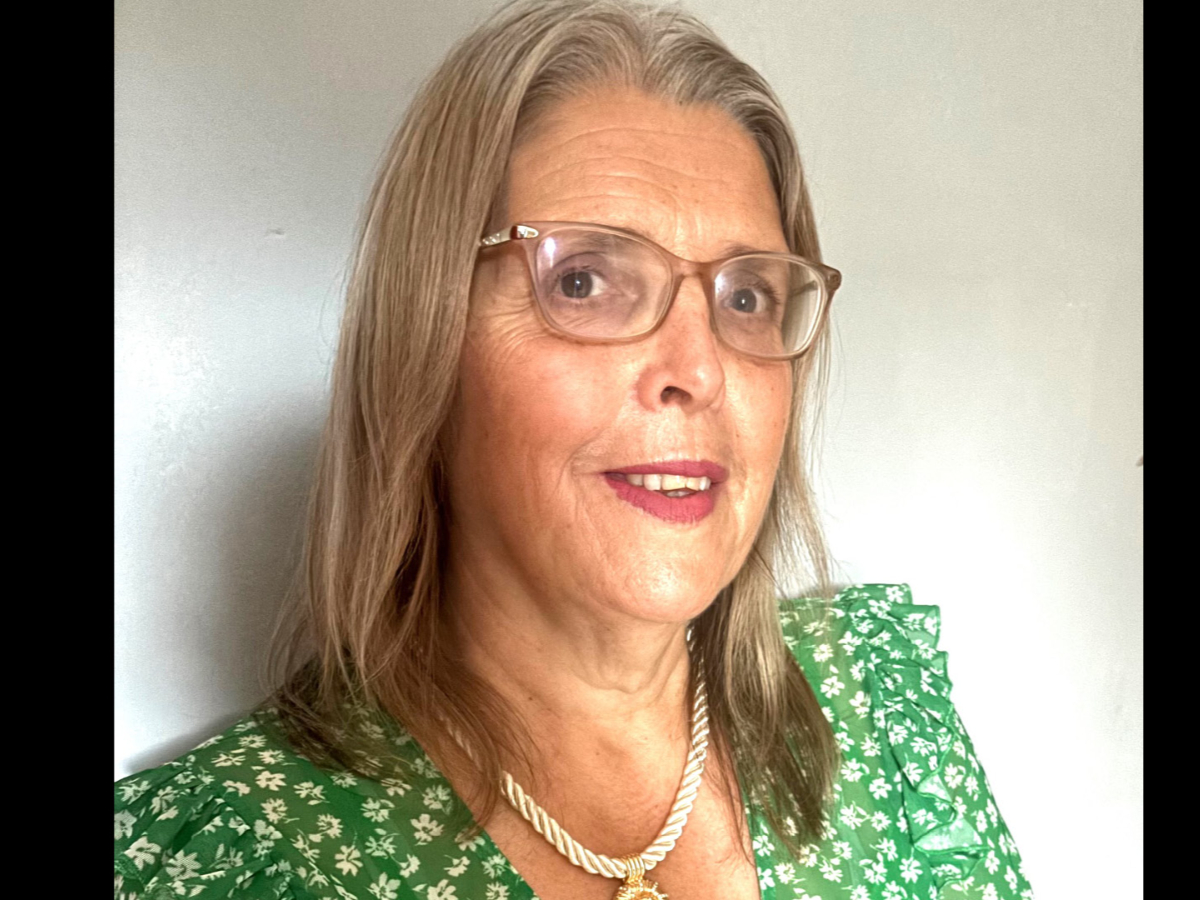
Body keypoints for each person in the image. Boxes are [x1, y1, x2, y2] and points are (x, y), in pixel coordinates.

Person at [114, 1, 1034, 898]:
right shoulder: (229, 858)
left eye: (747, 296)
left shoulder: (881, 722)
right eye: (587, 280)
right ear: (423, 344)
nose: (700, 368)